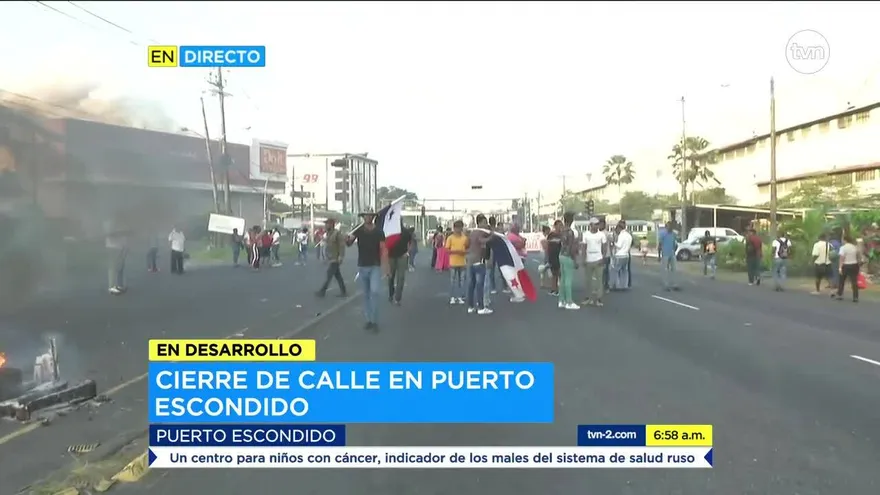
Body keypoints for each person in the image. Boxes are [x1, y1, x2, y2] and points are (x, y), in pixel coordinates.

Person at [346, 211, 389, 331]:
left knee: (374, 292)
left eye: (369, 215)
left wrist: (386, 266)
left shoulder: (379, 232)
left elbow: (383, 248)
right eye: (365, 215)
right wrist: (346, 239)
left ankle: (374, 320)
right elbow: (349, 243)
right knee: (366, 294)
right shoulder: (358, 230)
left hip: (375, 265)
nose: (367, 217)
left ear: (373, 217)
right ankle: (369, 320)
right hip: (362, 265)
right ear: (363, 217)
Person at [466, 214, 493, 315]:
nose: (486, 224)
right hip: (478, 261)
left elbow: (468, 244)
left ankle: (470, 306)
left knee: (471, 285)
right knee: (479, 285)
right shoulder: (481, 232)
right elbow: (482, 241)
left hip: (470, 261)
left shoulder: (472, 232)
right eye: (485, 222)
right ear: (481, 222)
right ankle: (481, 307)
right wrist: (491, 236)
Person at [315, 218, 348, 298]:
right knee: (338, 276)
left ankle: (322, 292)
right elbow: (329, 243)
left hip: (335, 258)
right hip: (331, 258)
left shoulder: (337, 233)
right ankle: (343, 292)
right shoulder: (329, 234)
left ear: (331, 224)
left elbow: (341, 245)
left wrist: (341, 256)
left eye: (327, 224)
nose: (325, 225)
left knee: (329, 275)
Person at [581, 218, 607, 306]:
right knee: (588, 280)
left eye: (597, 224)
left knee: (599, 281)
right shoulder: (585, 234)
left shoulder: (602, 235)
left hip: (598, 258)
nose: (596, 226)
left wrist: (603, 258)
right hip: (589, 259)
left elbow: (604, 247)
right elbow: (584, 247)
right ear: (590, 225)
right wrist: (583, 259)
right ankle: (589, 298)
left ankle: (599, 299)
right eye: (595, 224)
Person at [558, 212, 580, 309]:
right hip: (568, 256)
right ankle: (569, 302)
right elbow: (571, 247)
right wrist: (575, 260)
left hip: (561, 255)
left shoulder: (562, 230)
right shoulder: (570, 232)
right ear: (571, 219)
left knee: (562, 279)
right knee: (568, 280)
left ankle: (561, 300)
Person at [387, 223, 413, 305]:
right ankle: (391, 293)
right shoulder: (389, 231)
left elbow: (410, 242)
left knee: (401, 277)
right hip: (391, 256)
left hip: (402, 256)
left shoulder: (405, 231)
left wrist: (407, 252)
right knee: (391, 277)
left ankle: (398, 298)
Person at [445, 220, 468, 305]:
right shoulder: (450, 238)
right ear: (454, 228)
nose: (458, 229)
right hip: (453, 262)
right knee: (453, 281)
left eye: (460, 228)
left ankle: (460, 296)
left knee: (462, 281)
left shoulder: (465, 238)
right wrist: (455, 252)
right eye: (457, 228)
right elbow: (447, 250)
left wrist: (464, 252)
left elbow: (468, 248)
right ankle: (452, 297)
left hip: (462, 262)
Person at [835, 234, 861, 302]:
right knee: (854, 281)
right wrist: (858, 265)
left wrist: (840, 267)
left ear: (845, 240)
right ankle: (855, 297)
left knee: (841, 281)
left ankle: (840, 295)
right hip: (854, 265)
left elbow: (841, 258)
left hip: (846, 265)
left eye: (843, 240)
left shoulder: (843, 248)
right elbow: (858, 257)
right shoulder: (855, 247)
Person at [105, 220, 129, 295]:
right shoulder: (110, 222)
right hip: (113, 247)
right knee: (113, 267)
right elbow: (109, 234)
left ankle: (119, 285)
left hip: (120, 246)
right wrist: (120, 232)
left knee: (120, 266)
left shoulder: (121, 222)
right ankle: (111, 287)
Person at [612, 220, 632, 290]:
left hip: (619, 255)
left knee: (616, 271)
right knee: (625, 271)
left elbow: (619, 245)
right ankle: (625, 285)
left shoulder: (621, 235)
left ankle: (617, 285)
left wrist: (614, 243)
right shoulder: (629, 235)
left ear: (619, 228)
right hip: (626, 255)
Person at [659, 222, 679, 291]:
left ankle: (674, 284)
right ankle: (666, 284)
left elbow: (675, 243)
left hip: (672, 253)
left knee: (674, 269)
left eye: (671, 227)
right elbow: (660, 244)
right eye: (669, 227)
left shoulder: (673, 234)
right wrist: (659, 255)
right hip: (665, 253)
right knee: (665, 269)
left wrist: (674, 250)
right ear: (666, 227)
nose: (670, 228)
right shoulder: (663, 234)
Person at [546, 221, 563, 296]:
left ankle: (561, 290)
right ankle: (553, 289)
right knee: (554, 274)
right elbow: (548, 245)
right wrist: (547, 256)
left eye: (561, 225)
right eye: (559, 225)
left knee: (560, 273)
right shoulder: (551, 235)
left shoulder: (562, 235)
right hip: (552, 256)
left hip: (559, 256)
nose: (560, 227)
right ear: (555, 226)